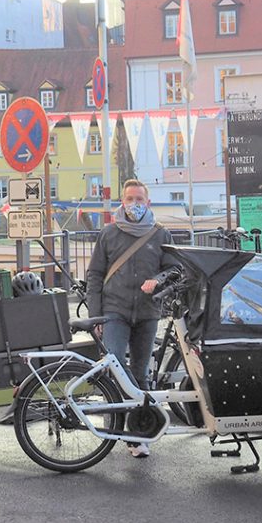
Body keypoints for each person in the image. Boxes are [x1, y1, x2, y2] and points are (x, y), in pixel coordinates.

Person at [86, 179, 173, 458]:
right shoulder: (109, 233)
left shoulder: (161, 235)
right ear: (122, 202)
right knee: (116, 370)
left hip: (148, 313)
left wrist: (157, 281)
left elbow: (174, 270)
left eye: (139, 199)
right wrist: (95, 315)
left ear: (147, 202)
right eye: (129, 199)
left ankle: (138, 436)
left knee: (140, 373)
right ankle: (116, 425)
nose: (134, 203)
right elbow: (95, 275)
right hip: (115, 310)